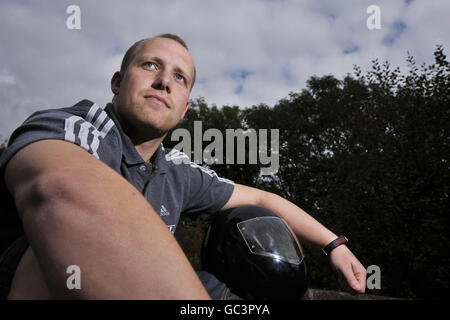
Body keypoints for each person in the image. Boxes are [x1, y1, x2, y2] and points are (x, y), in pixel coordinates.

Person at [0, 33, 366, 299]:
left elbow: (264, 199)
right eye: (150, 65)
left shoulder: (176, 169)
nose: (164, 81)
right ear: (117, 82)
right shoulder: (81, 126)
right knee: (58, 238)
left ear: (185, 107)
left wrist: (335, 245)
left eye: (180, 77)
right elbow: (60, 187)